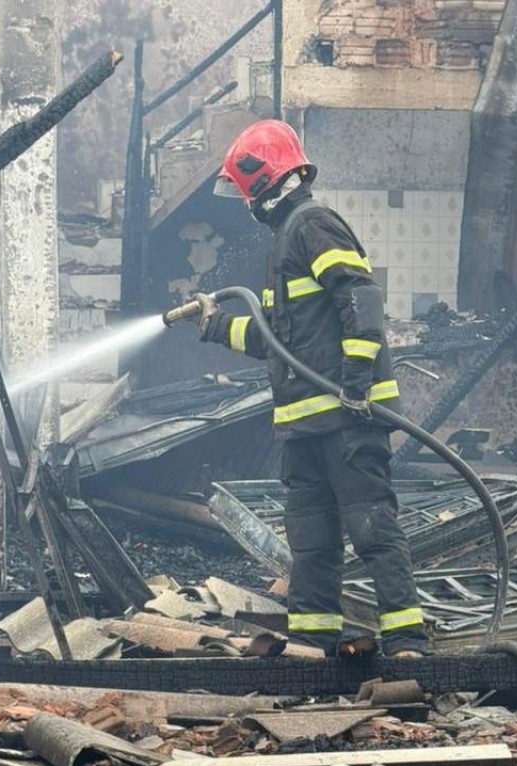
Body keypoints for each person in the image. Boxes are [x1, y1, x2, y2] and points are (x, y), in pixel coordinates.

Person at [195, 119, 429, 659]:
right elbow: (275, 340)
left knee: (371, 527)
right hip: (303, 426)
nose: (245, 203)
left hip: (347, 417)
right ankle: (313, 644)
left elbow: (361, 299)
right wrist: (213, 325)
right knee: (312, 541)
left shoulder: (313, 223)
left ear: (261, 182)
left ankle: (406, 641)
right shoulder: (285, 243)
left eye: (245, 189)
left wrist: (356, 383)